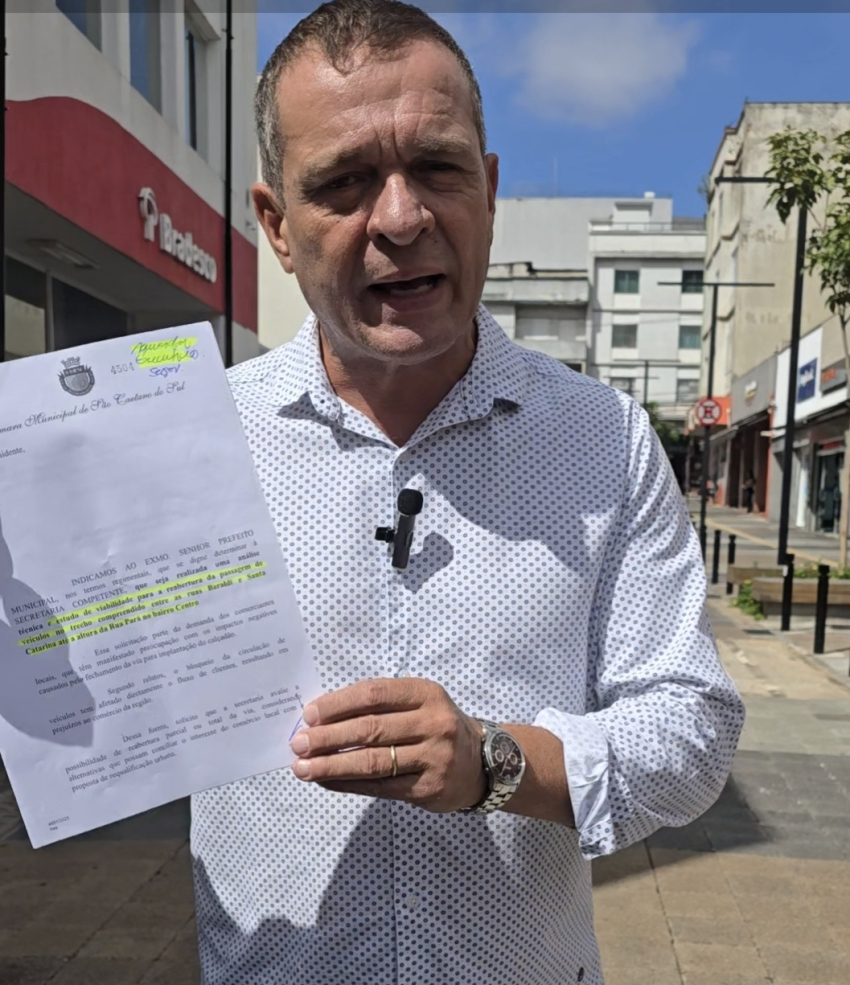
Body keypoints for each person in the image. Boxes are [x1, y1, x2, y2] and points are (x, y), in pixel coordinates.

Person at [191, 3, 745, 983]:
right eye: (345, 182)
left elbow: (691, 727)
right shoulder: (193, 440)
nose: (400, 218)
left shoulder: (602, 439)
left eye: (436, 168)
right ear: (276, 224)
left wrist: (498, 761)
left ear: (487, 190)